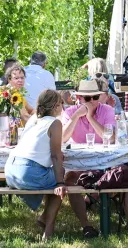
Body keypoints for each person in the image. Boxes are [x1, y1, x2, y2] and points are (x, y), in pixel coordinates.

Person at [61, 80, 128, 235]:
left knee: (125, 172)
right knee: (69, 178)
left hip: (105, 161)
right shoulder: (70, 112)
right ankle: (86, 226)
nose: (92, 102)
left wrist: (90, 117)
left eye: (95, 97)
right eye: (87, 98)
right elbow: (62, 138)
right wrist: (76, 117)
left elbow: (109, 138)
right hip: (79, 163)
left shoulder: (107, 110)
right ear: (79, 98)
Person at [5, 90, 67, 240]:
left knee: (51, 175)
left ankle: (44, 217)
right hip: (27, 172)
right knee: (61, 179)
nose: (62, 107)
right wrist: (60, 182)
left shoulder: (33, 119)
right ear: (55, 105)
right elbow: (56, 156)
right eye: (61, 103)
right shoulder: (55, 123)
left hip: (11, 172)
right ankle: (48, 229)